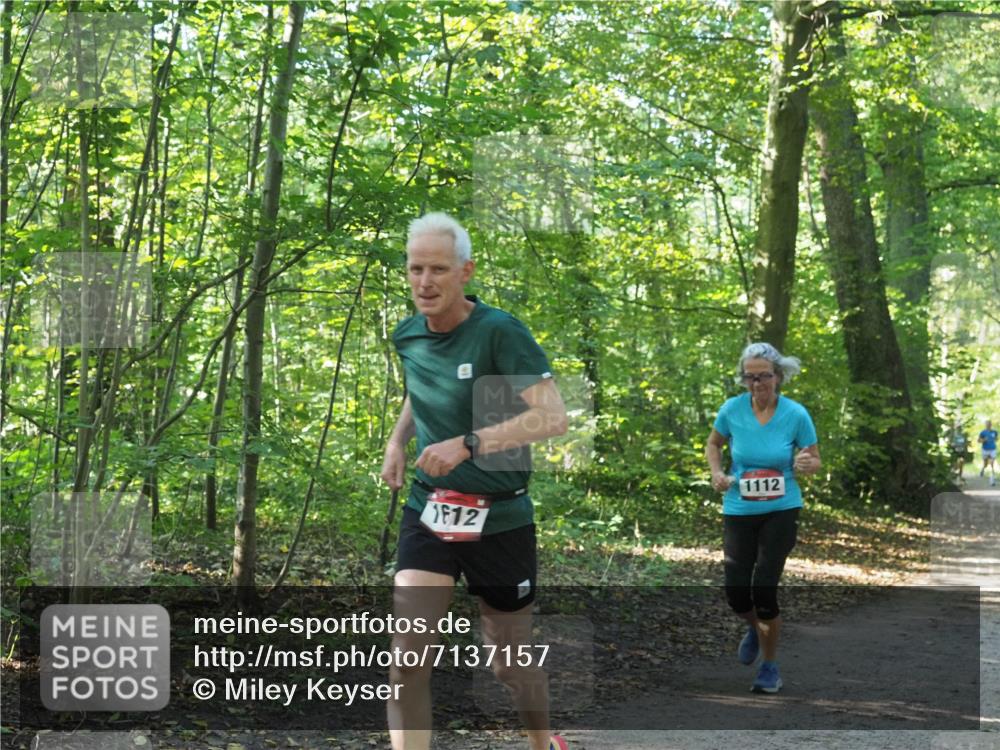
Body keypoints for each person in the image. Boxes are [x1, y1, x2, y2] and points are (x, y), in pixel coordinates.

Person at [380, 212, 569, 750]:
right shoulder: (409, 335)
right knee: (406, 660)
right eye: (416, 269)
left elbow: (553, 417)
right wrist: (398, 442)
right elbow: (421, 389)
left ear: (466, 271)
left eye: (438, 269)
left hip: (501, 517)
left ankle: (541, 742)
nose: (425, 281)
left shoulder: (499, 332)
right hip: (431, 511)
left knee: (508, 665)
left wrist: (469, 442)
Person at [705, 342, 820, 694]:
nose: (758, 384)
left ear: (778, 376)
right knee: (737, 594)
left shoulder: (796, 414)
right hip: (740, 507)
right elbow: (714, 444)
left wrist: (806, 464)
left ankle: (770, 667)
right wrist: (717, 473)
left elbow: (813, 458)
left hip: (782, 508)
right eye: (750, 377)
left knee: (765, 588)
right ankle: (755, 627)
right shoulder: (731, 410)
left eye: (764, 376)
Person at [979, 419, 997, 486]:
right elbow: (979, 441)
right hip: (985, 450)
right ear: (985, 425)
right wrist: (984, 440)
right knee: (985, 464)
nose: (988, 425)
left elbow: (996, 439)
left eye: (989, 424)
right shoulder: (983, 432)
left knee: (992, 463)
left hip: (992, 449)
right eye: (987, 424)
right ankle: (982, 469)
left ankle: (992, 480)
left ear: (991, 425)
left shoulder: (995, 432)